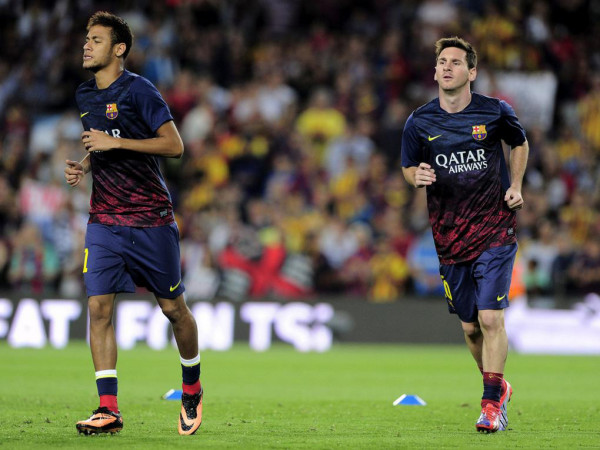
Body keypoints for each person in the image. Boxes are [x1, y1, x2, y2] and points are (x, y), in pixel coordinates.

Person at [64, 12, 202, 436]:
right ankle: (109, 408)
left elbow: (174, 145)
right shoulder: (85, 95)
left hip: (151, 221)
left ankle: (192, 387)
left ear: (118, 49)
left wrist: (115, 142)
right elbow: (103, 138)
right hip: (104, 219)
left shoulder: (140, 90)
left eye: (97, 40)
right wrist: (87, 163)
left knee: (173, 309)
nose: (87, 45)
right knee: (98, 308)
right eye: (86, 39)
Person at [401, 37, 528, 433]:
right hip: (450, 236)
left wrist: (517, 185)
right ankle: (497, 386)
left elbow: (519, 143)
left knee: (491, 318)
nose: (447, 67)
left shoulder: (494, 112)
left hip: (494, 227)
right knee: (471, 326)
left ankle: (490, 405)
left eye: (456, 62)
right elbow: (407, 166)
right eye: (442, 61)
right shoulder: (419, 121)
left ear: (471, 72)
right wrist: (415, 177)